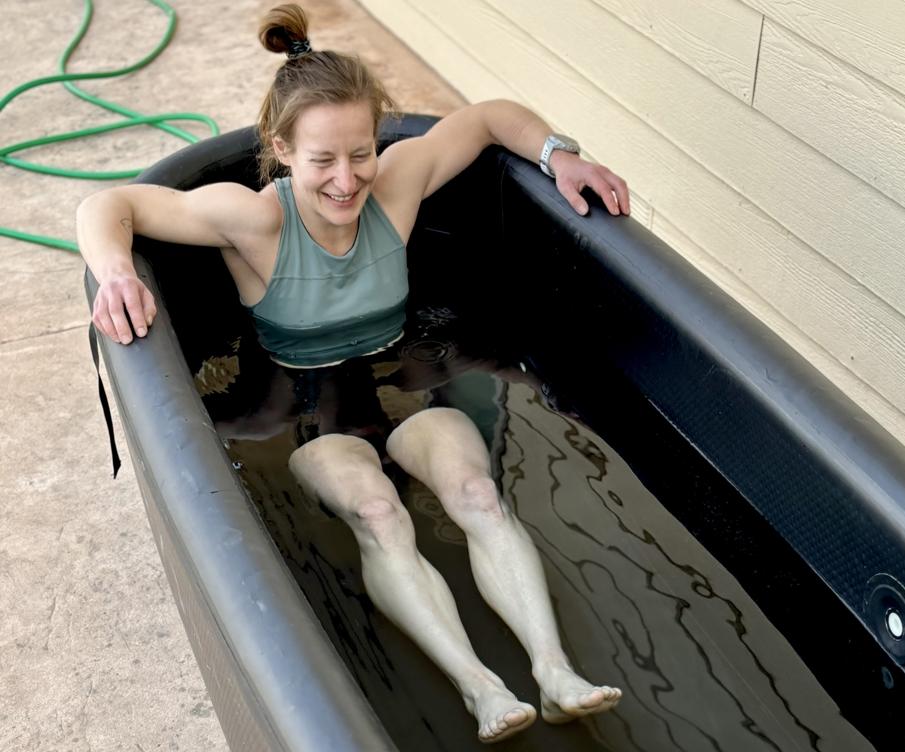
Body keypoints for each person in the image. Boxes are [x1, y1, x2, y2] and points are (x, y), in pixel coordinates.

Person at [78, 3, 628, 743]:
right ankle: (479, 689)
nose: (347, 180)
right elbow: (107, 203)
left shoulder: (395, 187)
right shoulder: (251, 221)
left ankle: (555, 673)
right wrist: (115, 272)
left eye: (362, 152)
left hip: (396, 383)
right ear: (281, 150)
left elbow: (492, 116)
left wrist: (561, 155)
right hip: (306, 407)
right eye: (321, 161)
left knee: (475, 493)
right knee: (379, 514)